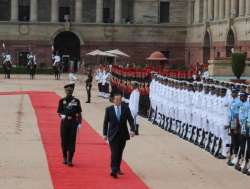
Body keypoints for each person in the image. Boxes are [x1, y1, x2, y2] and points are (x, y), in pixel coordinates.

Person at [103, 93, 136, 178]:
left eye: (119, 99)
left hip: (122, 134)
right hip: (112, 135)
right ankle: (113, 170)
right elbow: (106, 122)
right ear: (113, 100)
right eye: (116, 99)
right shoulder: (109, 109)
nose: (118, 101)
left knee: (119, 152)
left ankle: (117, 168)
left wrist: (132, 129)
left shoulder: (125, 108)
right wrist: (104, 134)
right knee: (114, 152)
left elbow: (131, 120)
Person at [57, 83, 82, 166]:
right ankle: (64, 157)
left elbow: (79, 112)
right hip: (64, 123)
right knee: (64, 141)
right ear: (65, 91)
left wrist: (79, 123)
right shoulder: (62, 101)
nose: (69, 92)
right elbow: (59, 112)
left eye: (70, 91)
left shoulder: (76, 101)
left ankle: (70, 159)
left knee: (72, 141)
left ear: (72, 91)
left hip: (73, 124)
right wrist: (62, 116)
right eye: (68, 91)